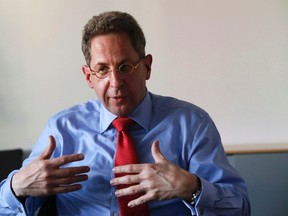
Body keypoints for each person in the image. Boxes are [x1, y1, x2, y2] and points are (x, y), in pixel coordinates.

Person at [0, 11, 250, 216]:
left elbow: (241, 208)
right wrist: (18, 187)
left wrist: (192, 188)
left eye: (125, 67)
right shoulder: (62, 129)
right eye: (102, 70)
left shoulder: (192, 124)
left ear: (147, 67)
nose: (116, 82)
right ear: (89, 76)